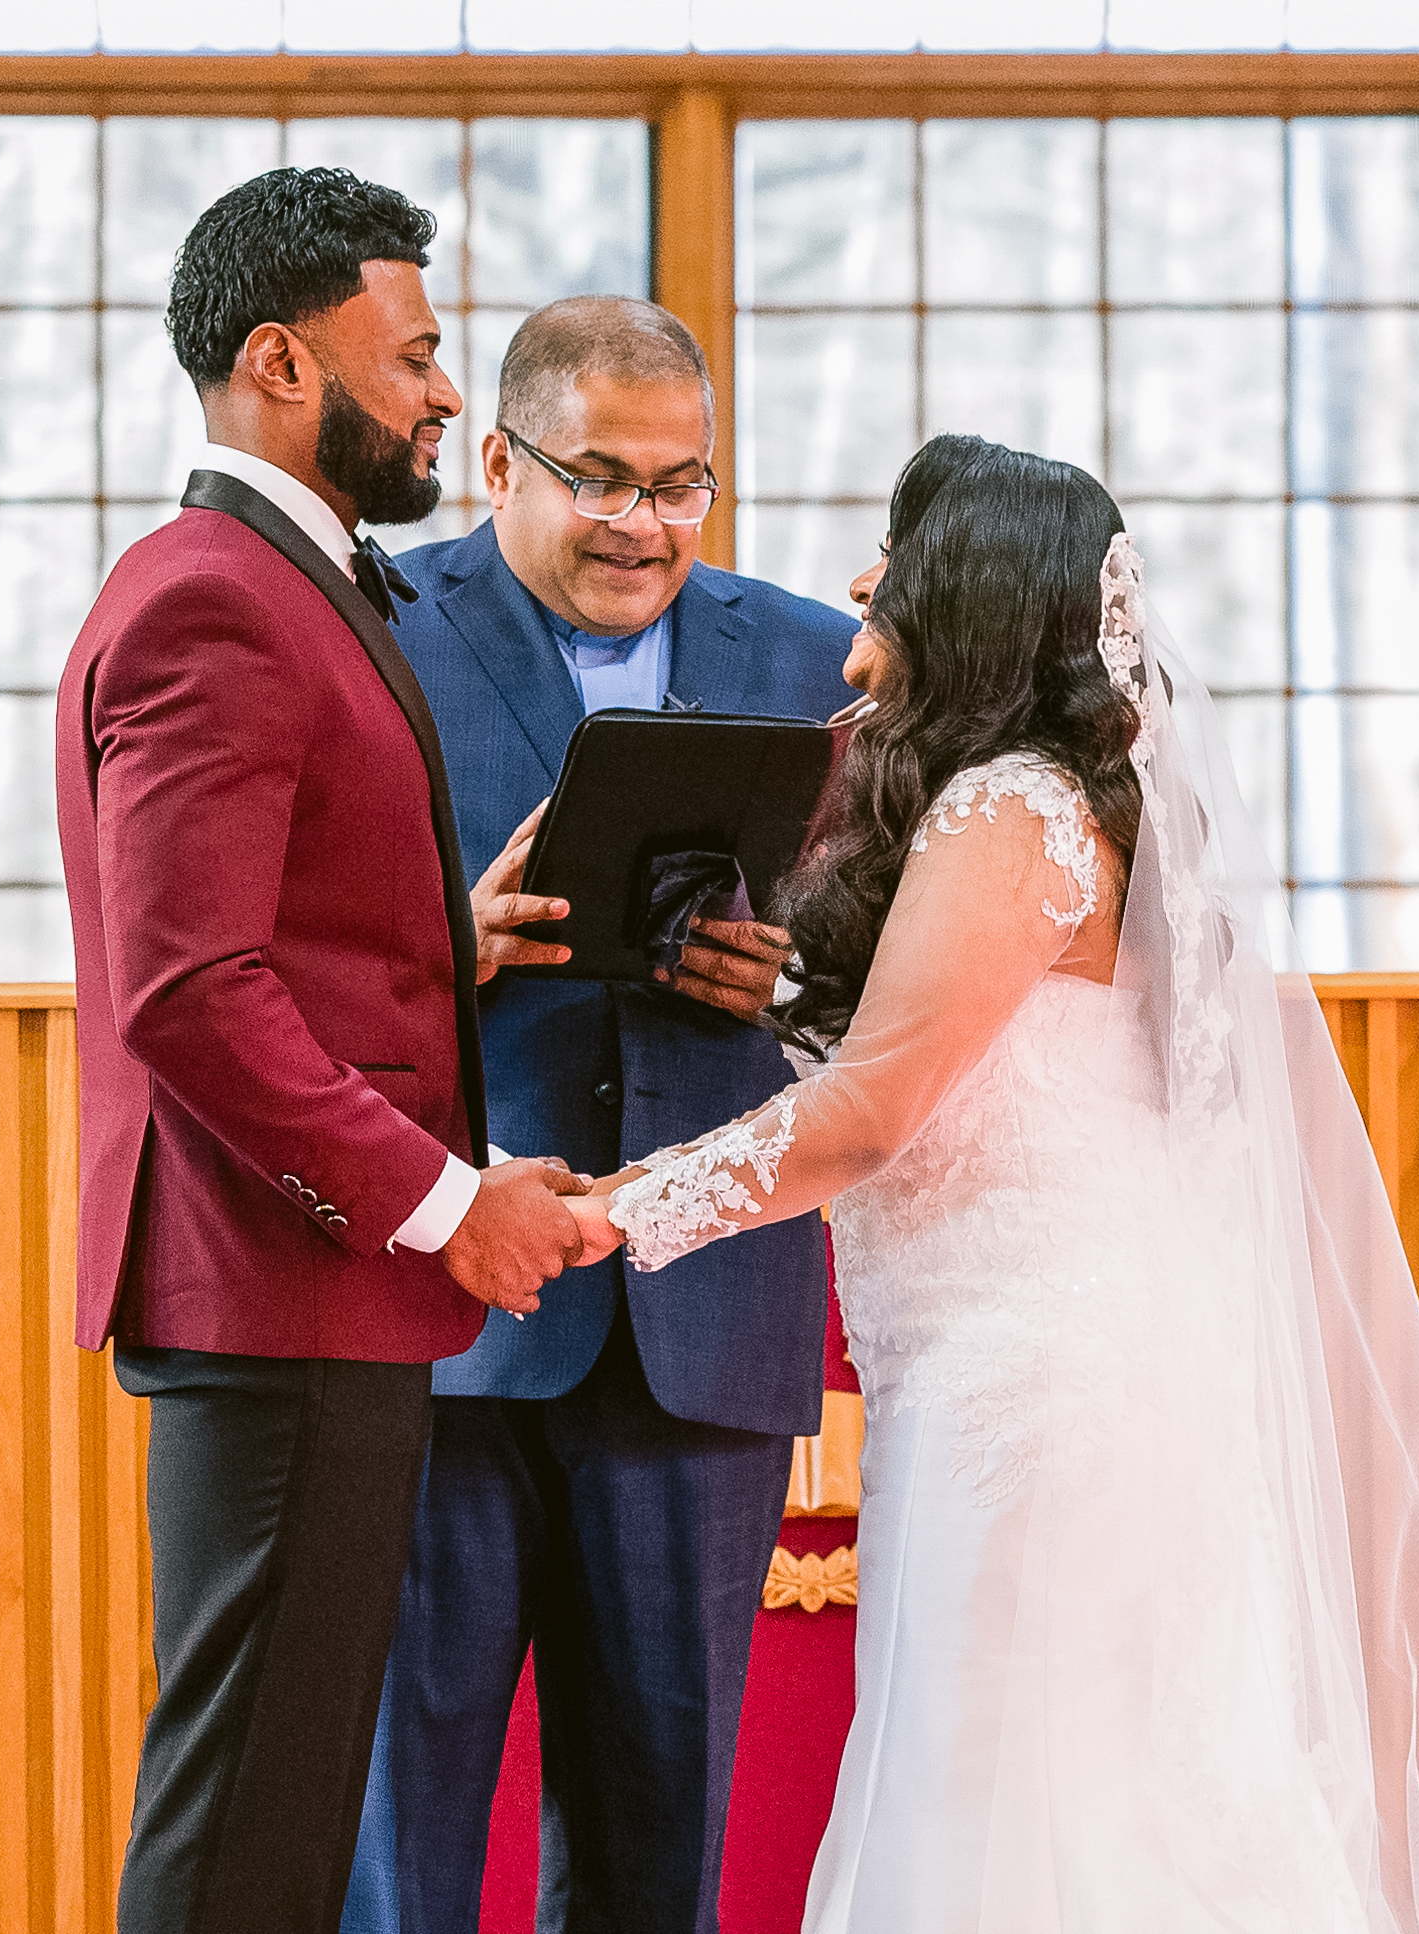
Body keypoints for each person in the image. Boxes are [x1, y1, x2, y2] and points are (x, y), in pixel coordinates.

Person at [565, 440, 1419, 1930]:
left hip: (1034, 1386)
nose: (864, 578)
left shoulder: (1009, 807)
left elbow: (869, 1116)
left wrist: (599, 1212)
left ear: (970, 588)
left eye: (896, 549)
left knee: (1021, 1805)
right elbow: (977, 1058)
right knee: (1069, 1794)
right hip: (1034, 1361)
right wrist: (794, 1001)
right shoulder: (1063, 800)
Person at [51, 167, 596, 1934]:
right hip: (277, 1285)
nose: (444, 391)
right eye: (415, 353)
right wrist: (448, 1204)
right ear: (283, 363)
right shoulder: (215, 599)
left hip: (306, 1288)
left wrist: (456, 990)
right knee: (247, 1830)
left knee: (278, 1817)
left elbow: (290, 943)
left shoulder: (287, 580)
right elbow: (191, 988)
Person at [343, 298, 859, 1934]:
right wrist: (449, 940)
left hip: (698, 1315)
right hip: (443, 1307)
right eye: (602, 479)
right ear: (500, 463)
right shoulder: (370, 626)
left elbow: (908, 967)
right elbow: (259, 958)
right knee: (402, 1826)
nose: (645, 522)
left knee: (660, 1835)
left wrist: (787, 974)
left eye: (682, 483)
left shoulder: (811, 657)